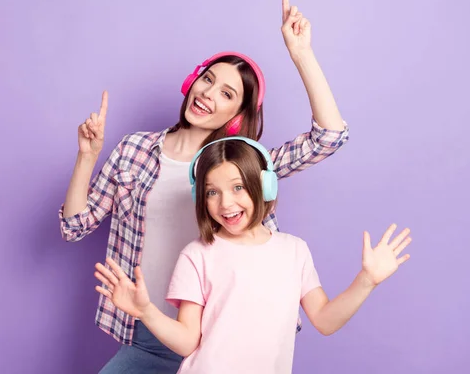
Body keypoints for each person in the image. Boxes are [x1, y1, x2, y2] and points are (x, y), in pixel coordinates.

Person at [60, 0, 349, 373]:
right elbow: (75, 226)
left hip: (229, 335)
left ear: (238, 112)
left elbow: (328, 137)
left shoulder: (243, 165)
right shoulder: (133, 150)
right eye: (207, 79)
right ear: (192, 81)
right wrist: (86, 157)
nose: (208, 93)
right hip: (153, 329)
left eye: (227, 92)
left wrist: (301, 54)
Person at [94, 137, 413, 374]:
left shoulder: (294, 250)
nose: (225, 203)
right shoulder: (197, 255)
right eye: (212, 192)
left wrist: (366, 281)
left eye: (238, 187)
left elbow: (326, 320)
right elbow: (189, 342)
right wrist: (146, 311)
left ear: (266, 187)